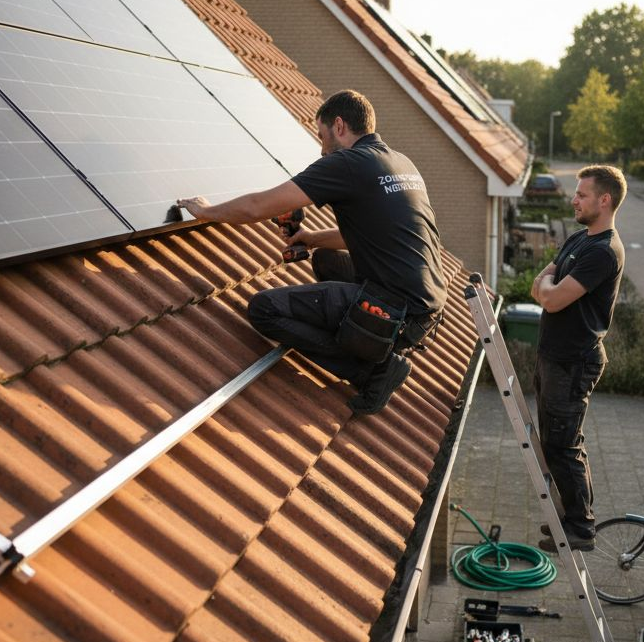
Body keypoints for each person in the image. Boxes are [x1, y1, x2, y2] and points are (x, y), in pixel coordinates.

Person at [176, 90, 446, 415]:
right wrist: (313, 238)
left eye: (322, 135)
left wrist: (207, 211)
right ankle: (364, 341)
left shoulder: (347, 163)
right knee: (324, 259)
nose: (321, 147)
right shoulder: (399, 161)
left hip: (396, 312)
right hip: (425, 305)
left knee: (264, 309)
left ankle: (373, 370)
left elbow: (256, 207)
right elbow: (374, 235)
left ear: (340, 125)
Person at [530, 165, 626, 552]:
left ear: (604, 201)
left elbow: (550, 296)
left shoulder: (604, 252)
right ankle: (571, 518)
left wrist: (548, 291)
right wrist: (547, 291)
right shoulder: (578, 240)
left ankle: (581, 528)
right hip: (554, 356)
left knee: (563, 444)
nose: (574, 199)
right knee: (557, 441)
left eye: (582, 195)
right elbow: (542, 283)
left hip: (574, 361)